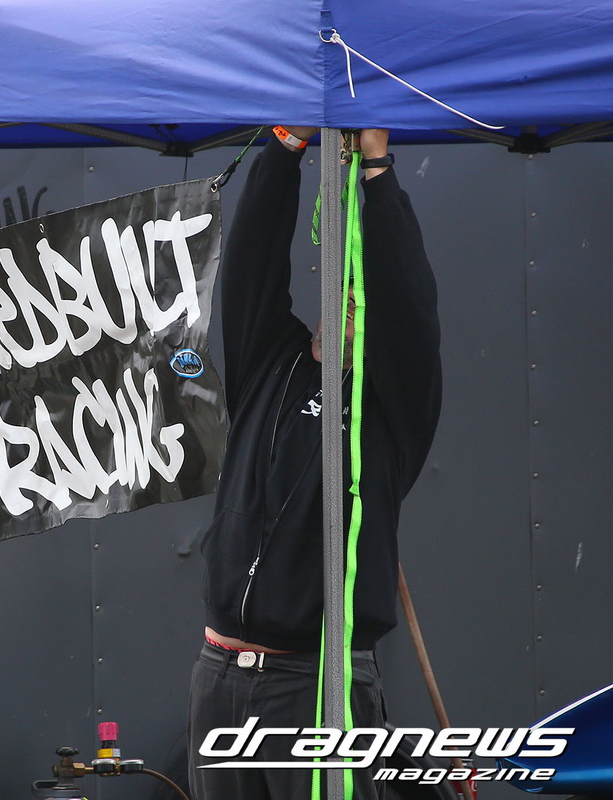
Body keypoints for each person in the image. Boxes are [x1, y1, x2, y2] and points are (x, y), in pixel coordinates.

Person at [188, 125, 442, 800]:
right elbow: (251, 260)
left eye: (362, 291)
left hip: (316, 685)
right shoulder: (270, 360)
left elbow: (410, 304)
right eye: (341, 282)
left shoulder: (390, 408)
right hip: (220, 674)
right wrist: (285, 146)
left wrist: (377, 171)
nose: (348, 296)